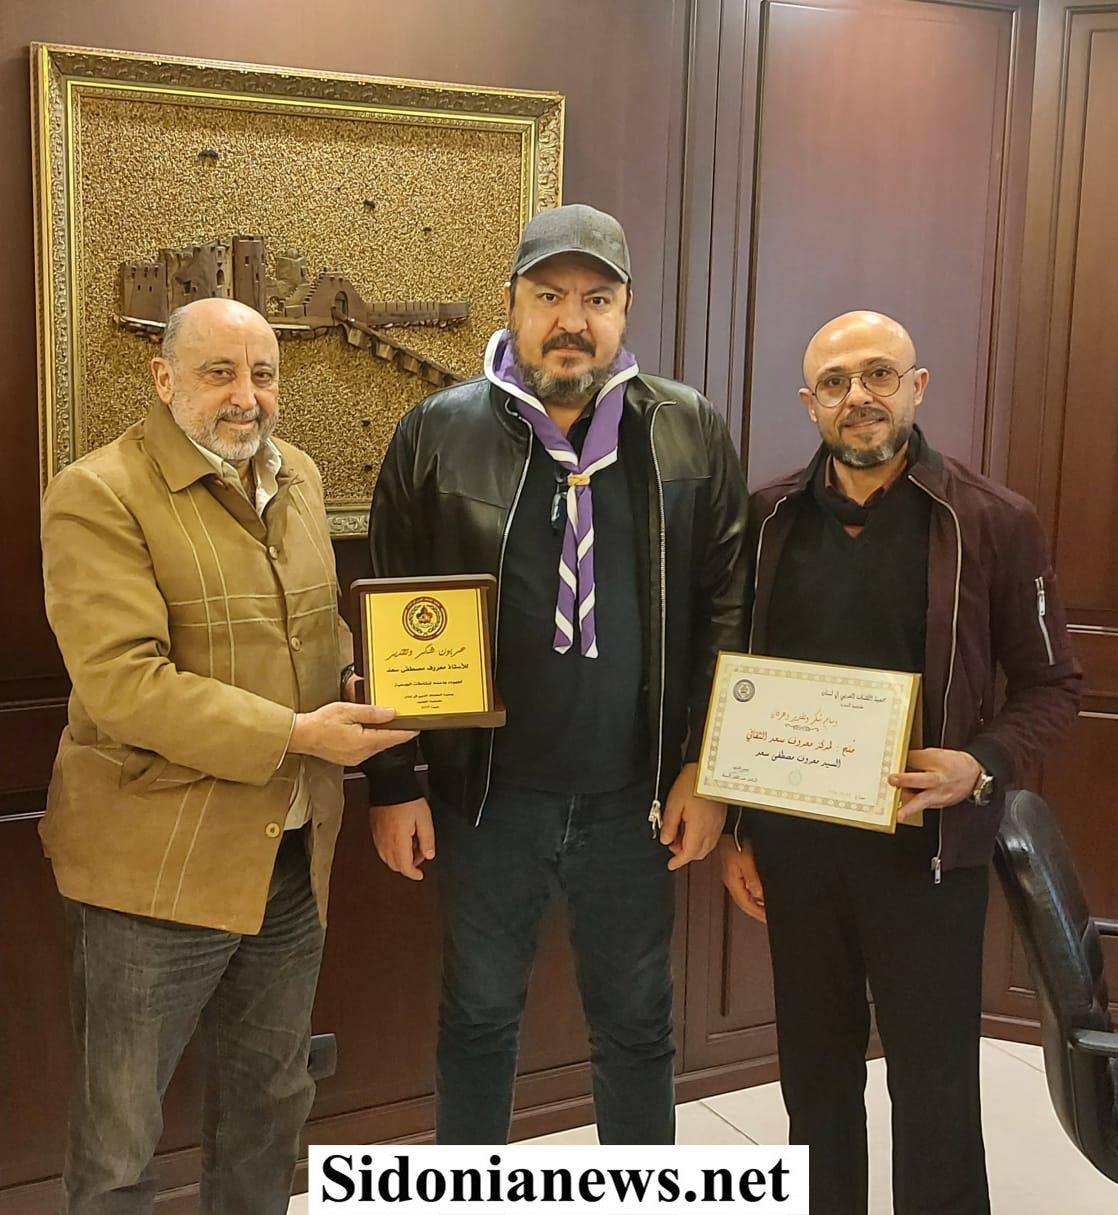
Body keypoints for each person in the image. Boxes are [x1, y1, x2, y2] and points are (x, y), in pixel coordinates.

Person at [365, 204, 749, 1144]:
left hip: (636, 801)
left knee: (637, 1026)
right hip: (487, 800)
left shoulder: (689, 429)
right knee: (478, 1020)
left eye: (596, 299)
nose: (572, 320)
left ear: (625, 311)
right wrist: (392, 783)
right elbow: (386, 615)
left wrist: (709, 770)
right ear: (512, 301)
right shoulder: (435, 432)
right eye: (549, 296)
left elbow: (728, 612)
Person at [39, 297, 414, 1214]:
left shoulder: (300, 476)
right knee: (120, 1143)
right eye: (220, 373)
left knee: (269, 1109)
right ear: (163, 379)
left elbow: (310, 627)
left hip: (288, 859)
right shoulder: (97, 493)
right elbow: (126, 685)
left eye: (264, 373)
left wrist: (361, 675)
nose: (247, 396)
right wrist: (298, 734)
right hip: (152, 872)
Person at [719, 310, 1082, 1214]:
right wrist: (737, 829)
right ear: (809, 402)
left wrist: (979, 765)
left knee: (935, 1087)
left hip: (929, 855)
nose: (859, 396)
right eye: (835, 382)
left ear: (917, 386)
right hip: (797, 855)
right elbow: (735, 683)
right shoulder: (766, 519)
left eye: (879, 374)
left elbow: (1053, 686)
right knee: (814, 1078)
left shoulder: (993, 520)